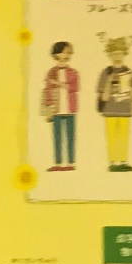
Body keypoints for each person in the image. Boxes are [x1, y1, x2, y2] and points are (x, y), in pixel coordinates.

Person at [95, 34, 132, 171]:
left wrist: (127, 85)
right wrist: (109, 80)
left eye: (120, 54)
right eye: (114, 54)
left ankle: (123, 161)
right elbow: (103, 96)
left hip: (125, 109)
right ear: (109, 55)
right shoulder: (106, 72)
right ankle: (113, 163)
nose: (117, 57)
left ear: (125, 54)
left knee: (124, 137)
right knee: (112, 137)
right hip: (110, 109)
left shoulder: (129, 71)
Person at [41, 41, 80, 169]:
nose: (67, 54)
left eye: (69, 52)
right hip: (56, 110)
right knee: (57, 138)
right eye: (64, 52)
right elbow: (47, 89)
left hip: (70, 109)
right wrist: (48, 105)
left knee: (70, 137)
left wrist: (58, 83)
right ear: (57, 53)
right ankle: (57, 163)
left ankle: (70, 163)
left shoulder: (73, 72)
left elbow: (75, 87)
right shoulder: (51, 72)